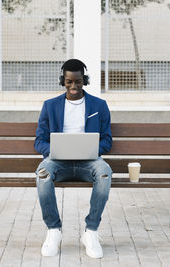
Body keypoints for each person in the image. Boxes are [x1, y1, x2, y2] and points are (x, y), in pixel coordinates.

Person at [34, 59, 113, 259]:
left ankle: (91, 232)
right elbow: (39, 141)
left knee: (105, 172)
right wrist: (53, 152)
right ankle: (54, 231)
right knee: (42, 172)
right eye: (69, 82)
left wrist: (93, 149)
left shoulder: (99, 105)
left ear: (84, 80)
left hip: (89, 161)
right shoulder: (50, 106)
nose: (74, 86)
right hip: (58, 161)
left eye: (78, 81)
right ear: (63, 81)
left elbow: (107, 140)